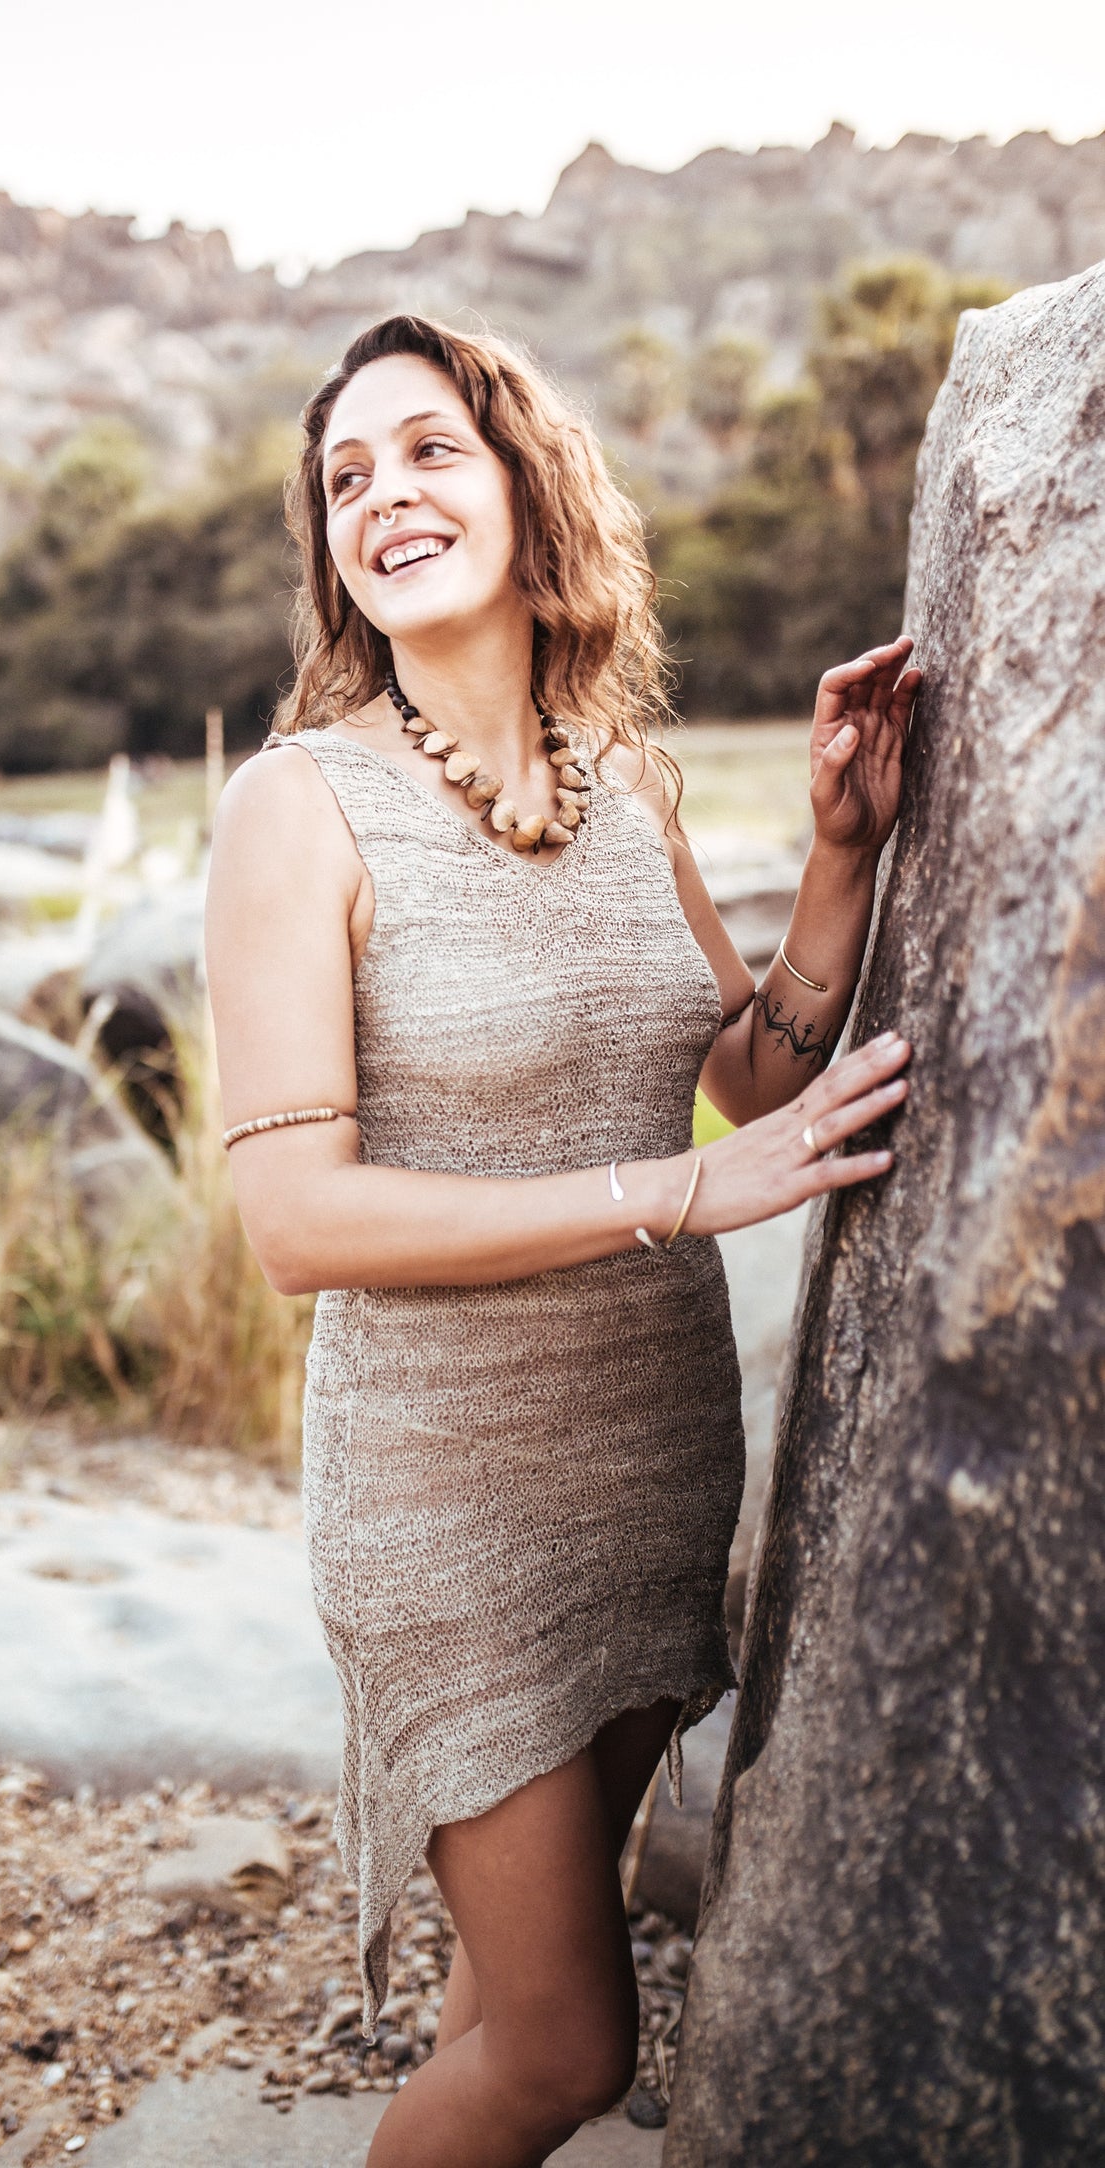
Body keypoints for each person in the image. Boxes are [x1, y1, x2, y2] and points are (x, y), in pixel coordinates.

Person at [205, 314, 917, 2168]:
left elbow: (743, 1083)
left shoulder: (625, 782)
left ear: (525, 484)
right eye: (346, 479)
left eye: (428, 450)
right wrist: (670, 1196)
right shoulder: (294, 809)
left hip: (648, 1463)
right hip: (448, 1503)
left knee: (512, 1994)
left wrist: (840, 853)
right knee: (561, 2053)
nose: (386, 497)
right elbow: (294, 1220)